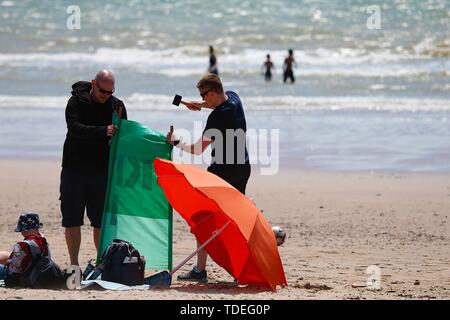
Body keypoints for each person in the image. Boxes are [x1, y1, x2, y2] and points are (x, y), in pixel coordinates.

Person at [166, 73, 251, 282]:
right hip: (243, 167)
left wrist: (175, 142)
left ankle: (200, 270)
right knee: (236, 221)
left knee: (201, 218)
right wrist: (201, 105)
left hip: (222, 172)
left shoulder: (216, 118)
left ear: (212, 92)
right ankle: (242, 271)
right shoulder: (234, 98)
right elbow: (220, 106)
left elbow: (197, 150)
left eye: (204, 96)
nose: (203, 99)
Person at [60, 70, 127, 266]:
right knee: (72, 220)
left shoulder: (117, 106)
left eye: (109, 92)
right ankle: (74, 265)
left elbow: (125, 135)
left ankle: (101, 264)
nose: (105, 96)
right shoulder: (75, 102)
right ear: (93, 84)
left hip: (102, 172)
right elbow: (74, 128)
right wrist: (103, 131)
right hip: (74, 169)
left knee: (100, 222)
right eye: (101, 91)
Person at [0, 213, 51, 283]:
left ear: (24, 230)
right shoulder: (42, 240)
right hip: (38, 270)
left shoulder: (25, 244)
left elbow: (15, 268)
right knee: (4, 254)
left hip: (26, 275)